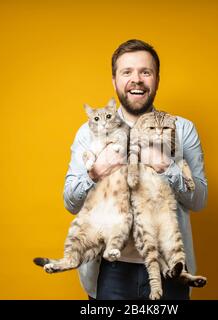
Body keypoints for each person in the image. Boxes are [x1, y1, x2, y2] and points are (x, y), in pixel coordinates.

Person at [63, 39, 208, 300]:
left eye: (145, 71)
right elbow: (70, 203)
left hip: (169, 265)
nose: (136, 79)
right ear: (114, 80)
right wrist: (95, 172)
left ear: (157, 79)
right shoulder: (88, 132)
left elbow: (199, 200)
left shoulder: (182, 129)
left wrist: (167, 167)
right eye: (127, 72)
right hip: (109, 268)